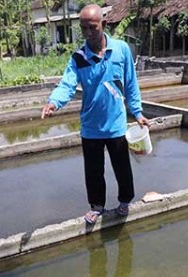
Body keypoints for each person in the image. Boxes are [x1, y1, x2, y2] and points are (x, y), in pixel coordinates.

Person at [41, 4, 150, 225]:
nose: (88, 33)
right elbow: (67, 84)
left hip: (117, 125)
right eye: (84, 29)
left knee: (122, 168)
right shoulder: (79, 57)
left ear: (104, 24)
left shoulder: (121, 50)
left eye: (93, 27)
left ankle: (124, 201)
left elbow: (131, 84)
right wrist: (54, 102)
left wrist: (137, 113)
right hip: (91, 127)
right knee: (93, 171)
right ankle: (97, 206)